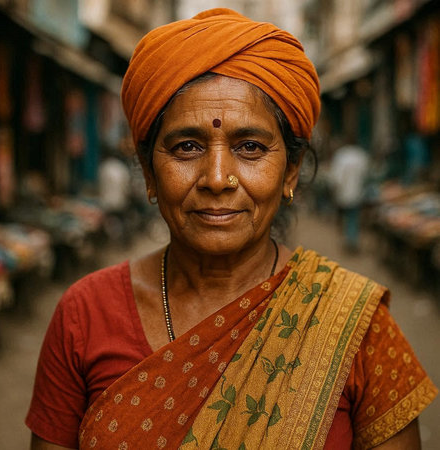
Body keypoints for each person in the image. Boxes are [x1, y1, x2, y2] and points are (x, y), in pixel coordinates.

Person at [26, 9, 437, 450]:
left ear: (291, 171)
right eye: (186, 147)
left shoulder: (360, 325)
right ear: (148, 171)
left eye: (250, 147)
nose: (218, 178)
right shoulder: (84, 317)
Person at [329, 139, 370, 252]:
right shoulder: (361, 156)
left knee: (347, 217)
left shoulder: (341, 155)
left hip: (343, 193)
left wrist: (335, 190)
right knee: (354, 217)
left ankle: (349, 241)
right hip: (357, 193)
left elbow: (336, 177)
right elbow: (366, 176)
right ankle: (353, 240)